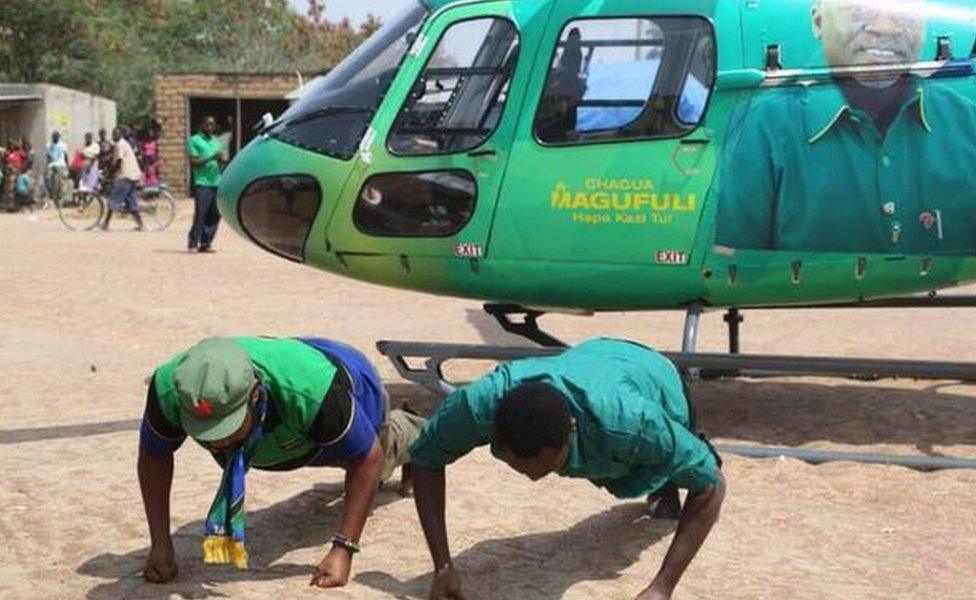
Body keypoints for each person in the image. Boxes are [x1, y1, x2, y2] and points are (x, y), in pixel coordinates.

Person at [409, 338, 725, 600]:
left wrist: (661, 589)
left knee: (676, 466)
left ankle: (675, 466)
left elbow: (712, 485)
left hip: (656, 378)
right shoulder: (478, 405)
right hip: (594, 363)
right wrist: (442, 566)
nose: (533, 479)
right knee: (626, 472)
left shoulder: (631, 422)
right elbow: (425, 457)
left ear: (572, 430)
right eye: (521, 469)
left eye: (547, 468)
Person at [138, 336, 425, 588]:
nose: (215, 442)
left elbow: (367, 457)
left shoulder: (313, 394)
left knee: (379, 456)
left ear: (254, 395)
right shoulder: (173, 387)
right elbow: (154, 454)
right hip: (292, 383)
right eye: (204, 430)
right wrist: (161, 544)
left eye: (225, 427)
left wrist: (343, 549)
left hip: (348, 381)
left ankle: (418, 431)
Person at [715, 0, 976, 254]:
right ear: (819, 22)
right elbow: (732, 267)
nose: (886, 27)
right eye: (860, 8)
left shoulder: (967, 123)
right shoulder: (760, 129)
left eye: (904, 9)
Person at [187, 116, 224, 252]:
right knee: (200, 213)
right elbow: (193, 162)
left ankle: (206, 243)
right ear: (202, 125)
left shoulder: (216, 141)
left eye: (212, 125)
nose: (210, 127)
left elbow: (219, 162)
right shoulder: (194, 140)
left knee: (215, 214)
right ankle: (193, 242)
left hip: (216, 182)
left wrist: (221, 161)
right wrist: (211, 157)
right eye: (207, 125)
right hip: (202, 183)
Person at [102, 126, 146, 231]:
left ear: (120, 135)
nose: (113, 135)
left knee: (113, 199)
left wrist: (111, 172)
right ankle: (141, 225)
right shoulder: (124, 144)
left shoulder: (120, 144)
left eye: (115, 133)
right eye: (113, 133)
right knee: (130, 200)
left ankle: (105, 224)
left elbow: (119, 161)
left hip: (125, 175)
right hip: (132, 174)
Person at [45, 131, 69, 201]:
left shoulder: (63, 145)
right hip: (51, 165)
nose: (55, 138)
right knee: (48, 179)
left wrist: (67, 166)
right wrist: (47, 166)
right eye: (54, 136)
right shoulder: (48, 145)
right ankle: (51, 196)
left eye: (57, 136)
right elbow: (48, 157)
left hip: (61, 165)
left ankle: (61, 197)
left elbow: (66, 156)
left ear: (59, 137)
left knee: (62, 182)